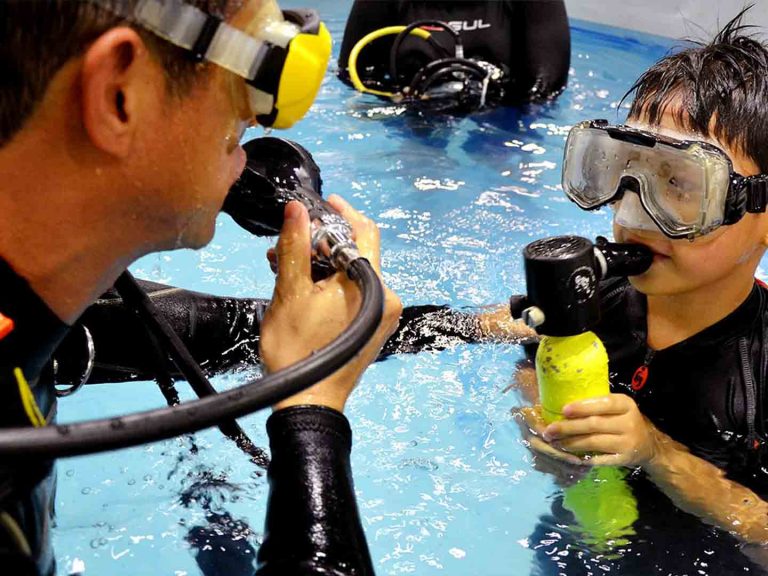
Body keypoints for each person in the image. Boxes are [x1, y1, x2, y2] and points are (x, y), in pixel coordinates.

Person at [0, 1, 403, 575]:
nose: (265, 121)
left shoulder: (35, 302)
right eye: (252, 76)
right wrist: (312, 414)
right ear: (122, 93)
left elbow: (218, 330)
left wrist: (483, 325)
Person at [505, 11, 768, 574]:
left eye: (680, 184)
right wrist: (537, 407)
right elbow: (507, 340)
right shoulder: (594, 293)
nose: (634, 213)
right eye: (626, 172)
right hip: (575, 539)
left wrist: (656, 452)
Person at [336, 0, 570, 113]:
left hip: (503, 116)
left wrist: (492, 97)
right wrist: (404, 100)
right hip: (415, 110)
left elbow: (545, 88)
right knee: (421, 163)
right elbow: (354, 73)